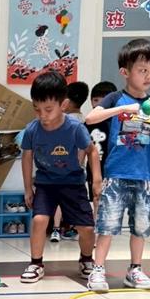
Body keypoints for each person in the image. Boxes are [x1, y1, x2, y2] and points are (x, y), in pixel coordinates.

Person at [84, 39, 150, 292]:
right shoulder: (115, 98)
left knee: (141, 227)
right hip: (117, 174)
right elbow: (90, 118)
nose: (149, 76)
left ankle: (135, 270)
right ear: (125, 72)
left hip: (145, 176)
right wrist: (120, 109)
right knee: (107, 225)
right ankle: (98, 269)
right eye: (142, 70)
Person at [20, 70, 101, 283]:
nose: (42, 115)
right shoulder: (32, 130)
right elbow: (27, 157)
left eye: (48, 109)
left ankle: (86, 259)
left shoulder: (75, 128)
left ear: (63, 105)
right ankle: (36, 263)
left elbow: (92, 151)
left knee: (86, 227)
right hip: (45, 184)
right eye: (37, 109)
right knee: (39, 220)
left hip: (73, 183)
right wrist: (28, 188)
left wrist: (97, 181)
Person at [50, 79, 90, 242]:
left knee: (60, 199)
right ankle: (73, 229)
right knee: (75, 201)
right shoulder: (85, 121)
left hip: (64, 167)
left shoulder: (65, 121)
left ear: (67, 101)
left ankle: (56, 229)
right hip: (77, 168)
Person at [85, 80, 117, 217]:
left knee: (112, 201)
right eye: (95, 100)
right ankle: (97, 223)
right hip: (94, 168)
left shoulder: (117, 122)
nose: (99, 104)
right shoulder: (88, 123)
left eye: (104, 101)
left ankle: (107, 224)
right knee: (96, 197)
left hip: (114, 169)